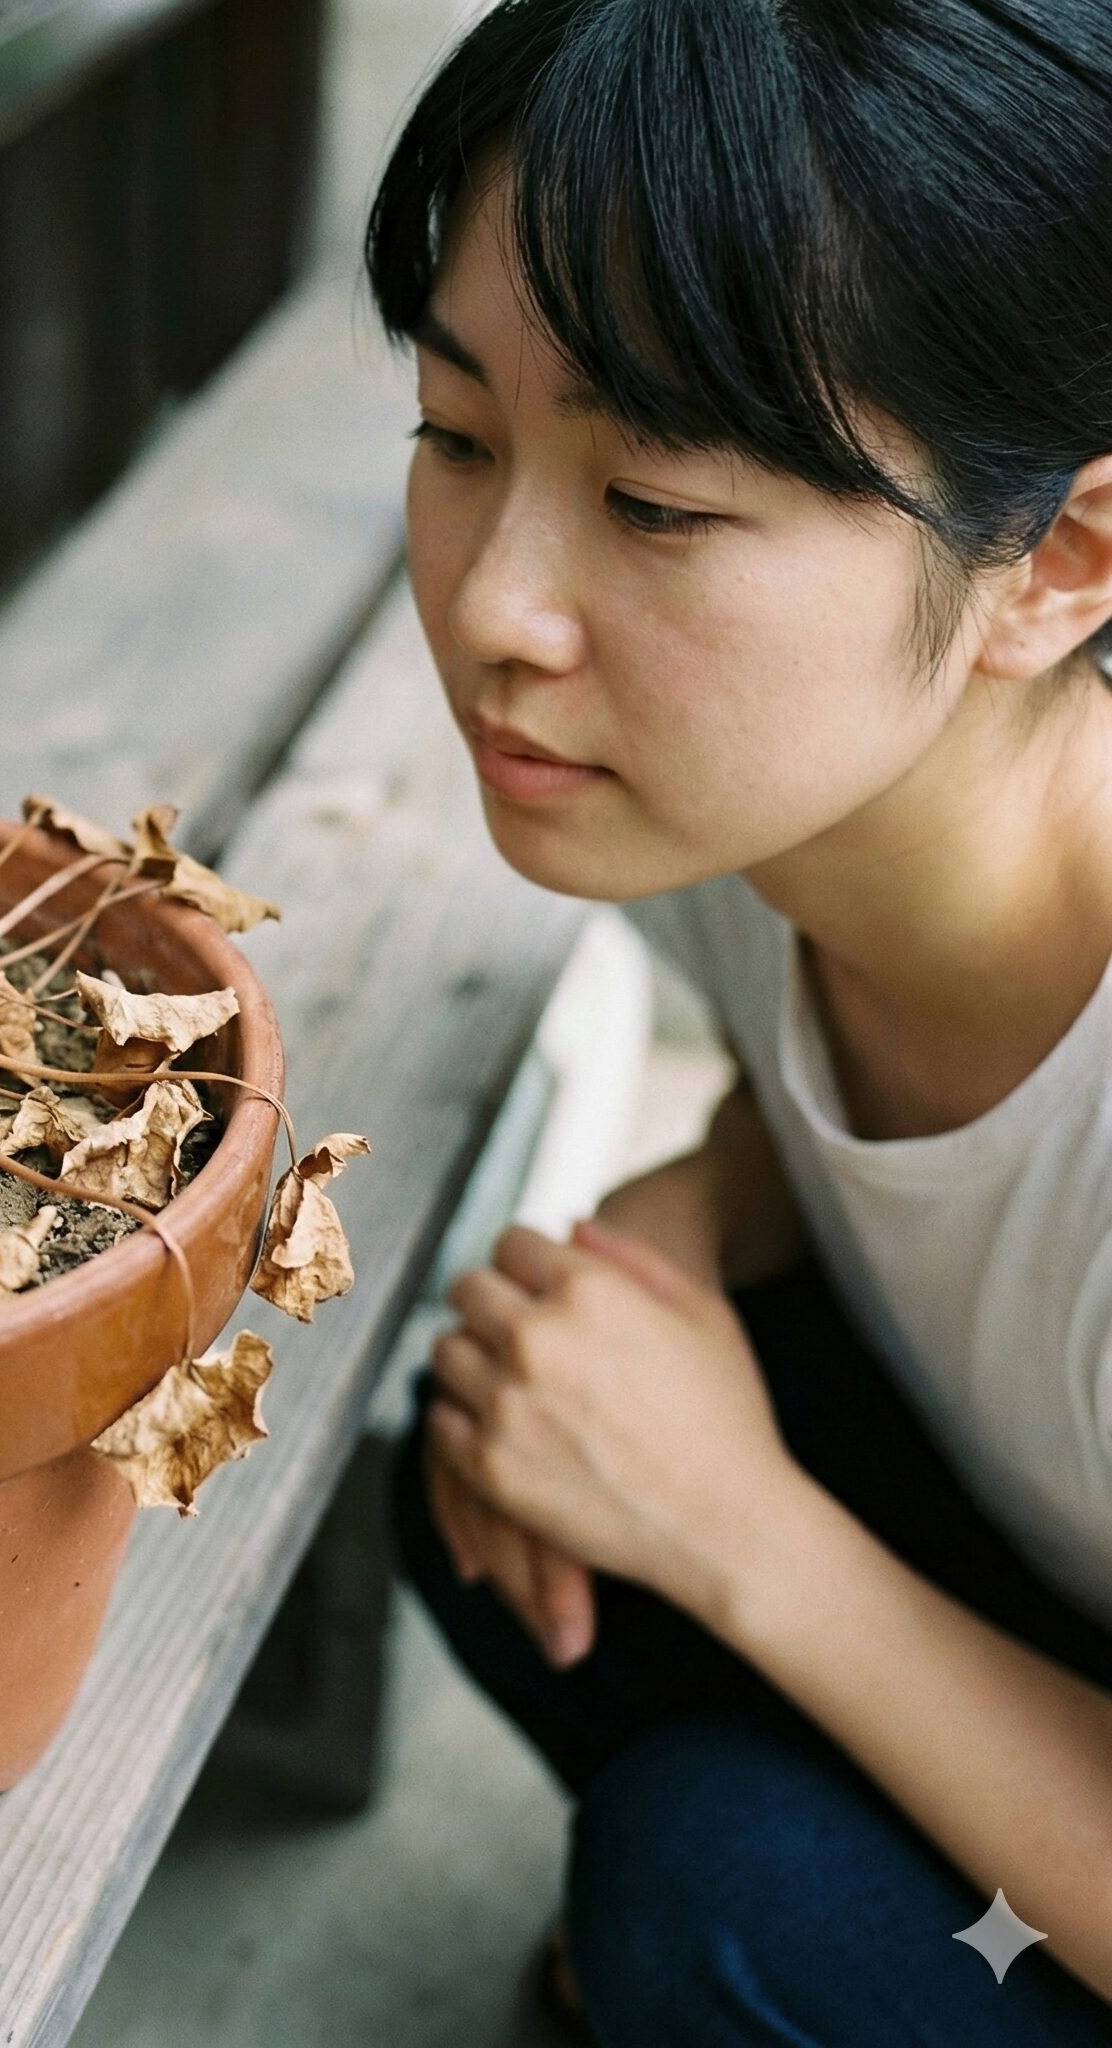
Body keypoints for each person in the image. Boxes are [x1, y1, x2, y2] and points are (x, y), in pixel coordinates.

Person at [365, 2, 1112, 2041]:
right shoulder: (749, 802)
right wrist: (667, 1241)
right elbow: (880, 1120)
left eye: (659, 506)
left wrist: (740, 1531)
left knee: (725, 1894)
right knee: (500, 1447)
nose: (494, 608)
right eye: (456, 437)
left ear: (1054, 556)